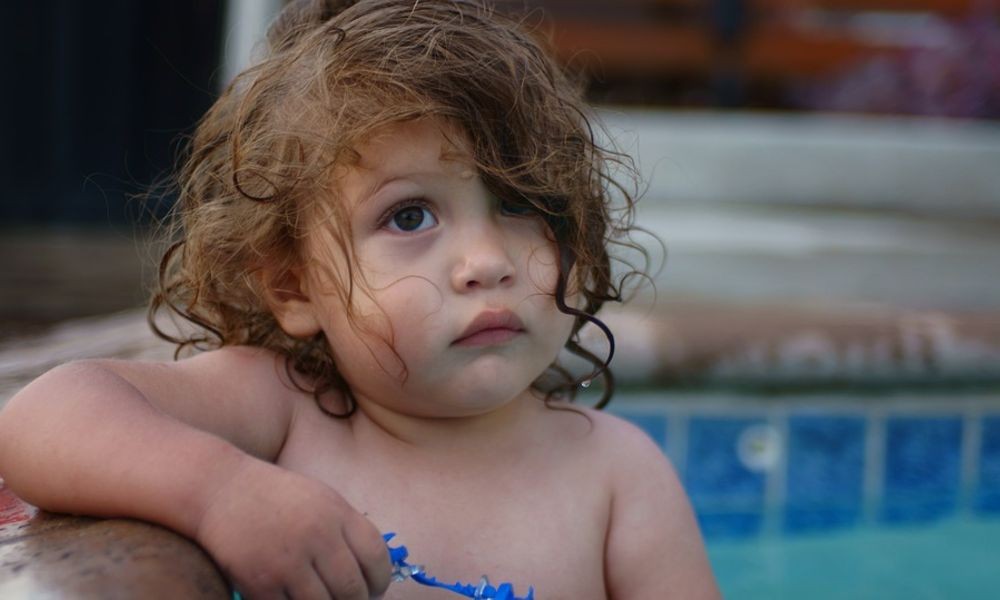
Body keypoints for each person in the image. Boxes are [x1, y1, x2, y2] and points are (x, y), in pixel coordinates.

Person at [0, 1, 719, 598]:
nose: (487, 262)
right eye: (409, 216)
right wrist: (219, 491)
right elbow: (41, 418)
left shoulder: (618, 477)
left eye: (522, 203)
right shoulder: (284, 412)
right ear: (292, 285)